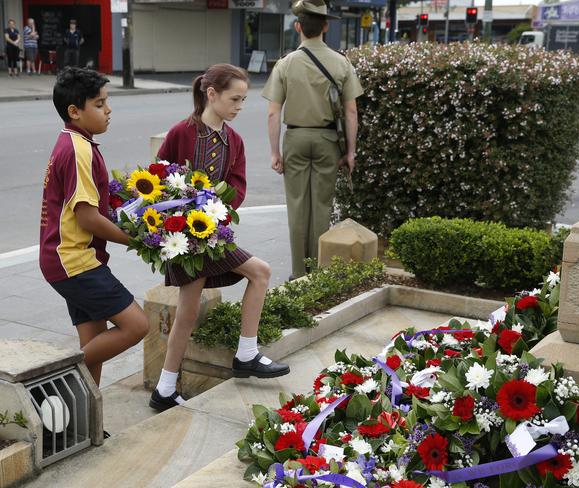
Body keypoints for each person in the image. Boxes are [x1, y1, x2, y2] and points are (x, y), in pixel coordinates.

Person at [150, 63, 289, 412]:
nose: (239, 106)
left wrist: (219, 207)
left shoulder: (234, 141)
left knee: (193, 308)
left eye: (243, 100)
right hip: (184, 236)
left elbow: (238, 185)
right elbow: (158, 174)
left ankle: (166, 389)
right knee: (255, 275)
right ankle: (244, 355)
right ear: (211, 94)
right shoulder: (181, 132)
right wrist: (176, 218)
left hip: (212, 233)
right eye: (234, 99)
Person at [40, 68, 149, 389]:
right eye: (100, 104)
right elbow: (88, 218)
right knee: (136, 325)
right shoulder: (78, 149)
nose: (109, 110)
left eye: (107, 102)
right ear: (75, 111)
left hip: (67, 259)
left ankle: (86, 424)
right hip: (74, 262)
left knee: (96, 345)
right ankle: (50, 380)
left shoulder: (73, 142)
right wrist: (137, 240)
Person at [262, 0, 363, 279]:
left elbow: (273, 113)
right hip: (327, 140)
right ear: (326, 27)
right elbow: (351, 110)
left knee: (297, 206)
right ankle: (318, 272)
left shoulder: (285, 64)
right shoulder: (341, 63)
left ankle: (298, 273)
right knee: (321, 206)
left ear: (298, 27)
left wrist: (275, 153)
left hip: (294, 137)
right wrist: (351, 151)